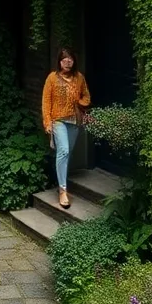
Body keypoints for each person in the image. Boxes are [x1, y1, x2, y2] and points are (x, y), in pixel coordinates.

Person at [41, 47, 91, 208]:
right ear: (59, 62)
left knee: (67, 153)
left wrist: (80, 102)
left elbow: (86, 97)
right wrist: (47, 122)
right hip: (58, 120)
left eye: (70, 59)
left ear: (74, 61)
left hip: (75, 121)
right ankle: (63, 190)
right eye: (64, 59)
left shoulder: (79, 78)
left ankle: (61, 180)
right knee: (63, 151)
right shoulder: (52, 78)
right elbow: (46, 102)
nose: (67, 61)